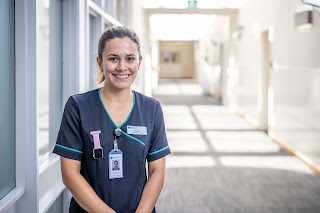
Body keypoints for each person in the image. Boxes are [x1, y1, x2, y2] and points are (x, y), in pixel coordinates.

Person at [53, 26, 171, 213]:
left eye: (130, 59)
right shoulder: (78, 106)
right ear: (100, 62)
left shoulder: (151, 108)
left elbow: (157, 170)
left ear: (139, 62)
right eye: (113, 58)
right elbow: (70, 174)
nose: (122, 67)